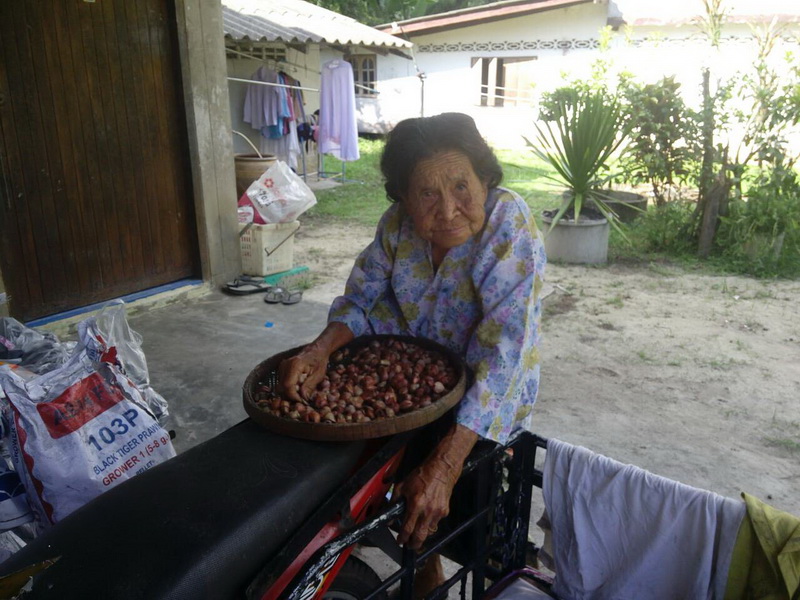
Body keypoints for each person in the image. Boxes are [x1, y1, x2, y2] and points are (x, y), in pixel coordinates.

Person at [279, 112, 546, 587]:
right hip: (414, 393)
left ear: (485, 179)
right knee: (409, 506)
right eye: (427, 193)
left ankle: (483, 580)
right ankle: (425, 567)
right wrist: (320, 350)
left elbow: (506, 347)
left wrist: (446, 464)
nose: (448, 210)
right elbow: (361, 299)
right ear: (403, 196)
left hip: (484, 402)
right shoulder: (397, 225)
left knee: (476, 524)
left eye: (461, 186)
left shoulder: (508, 221)